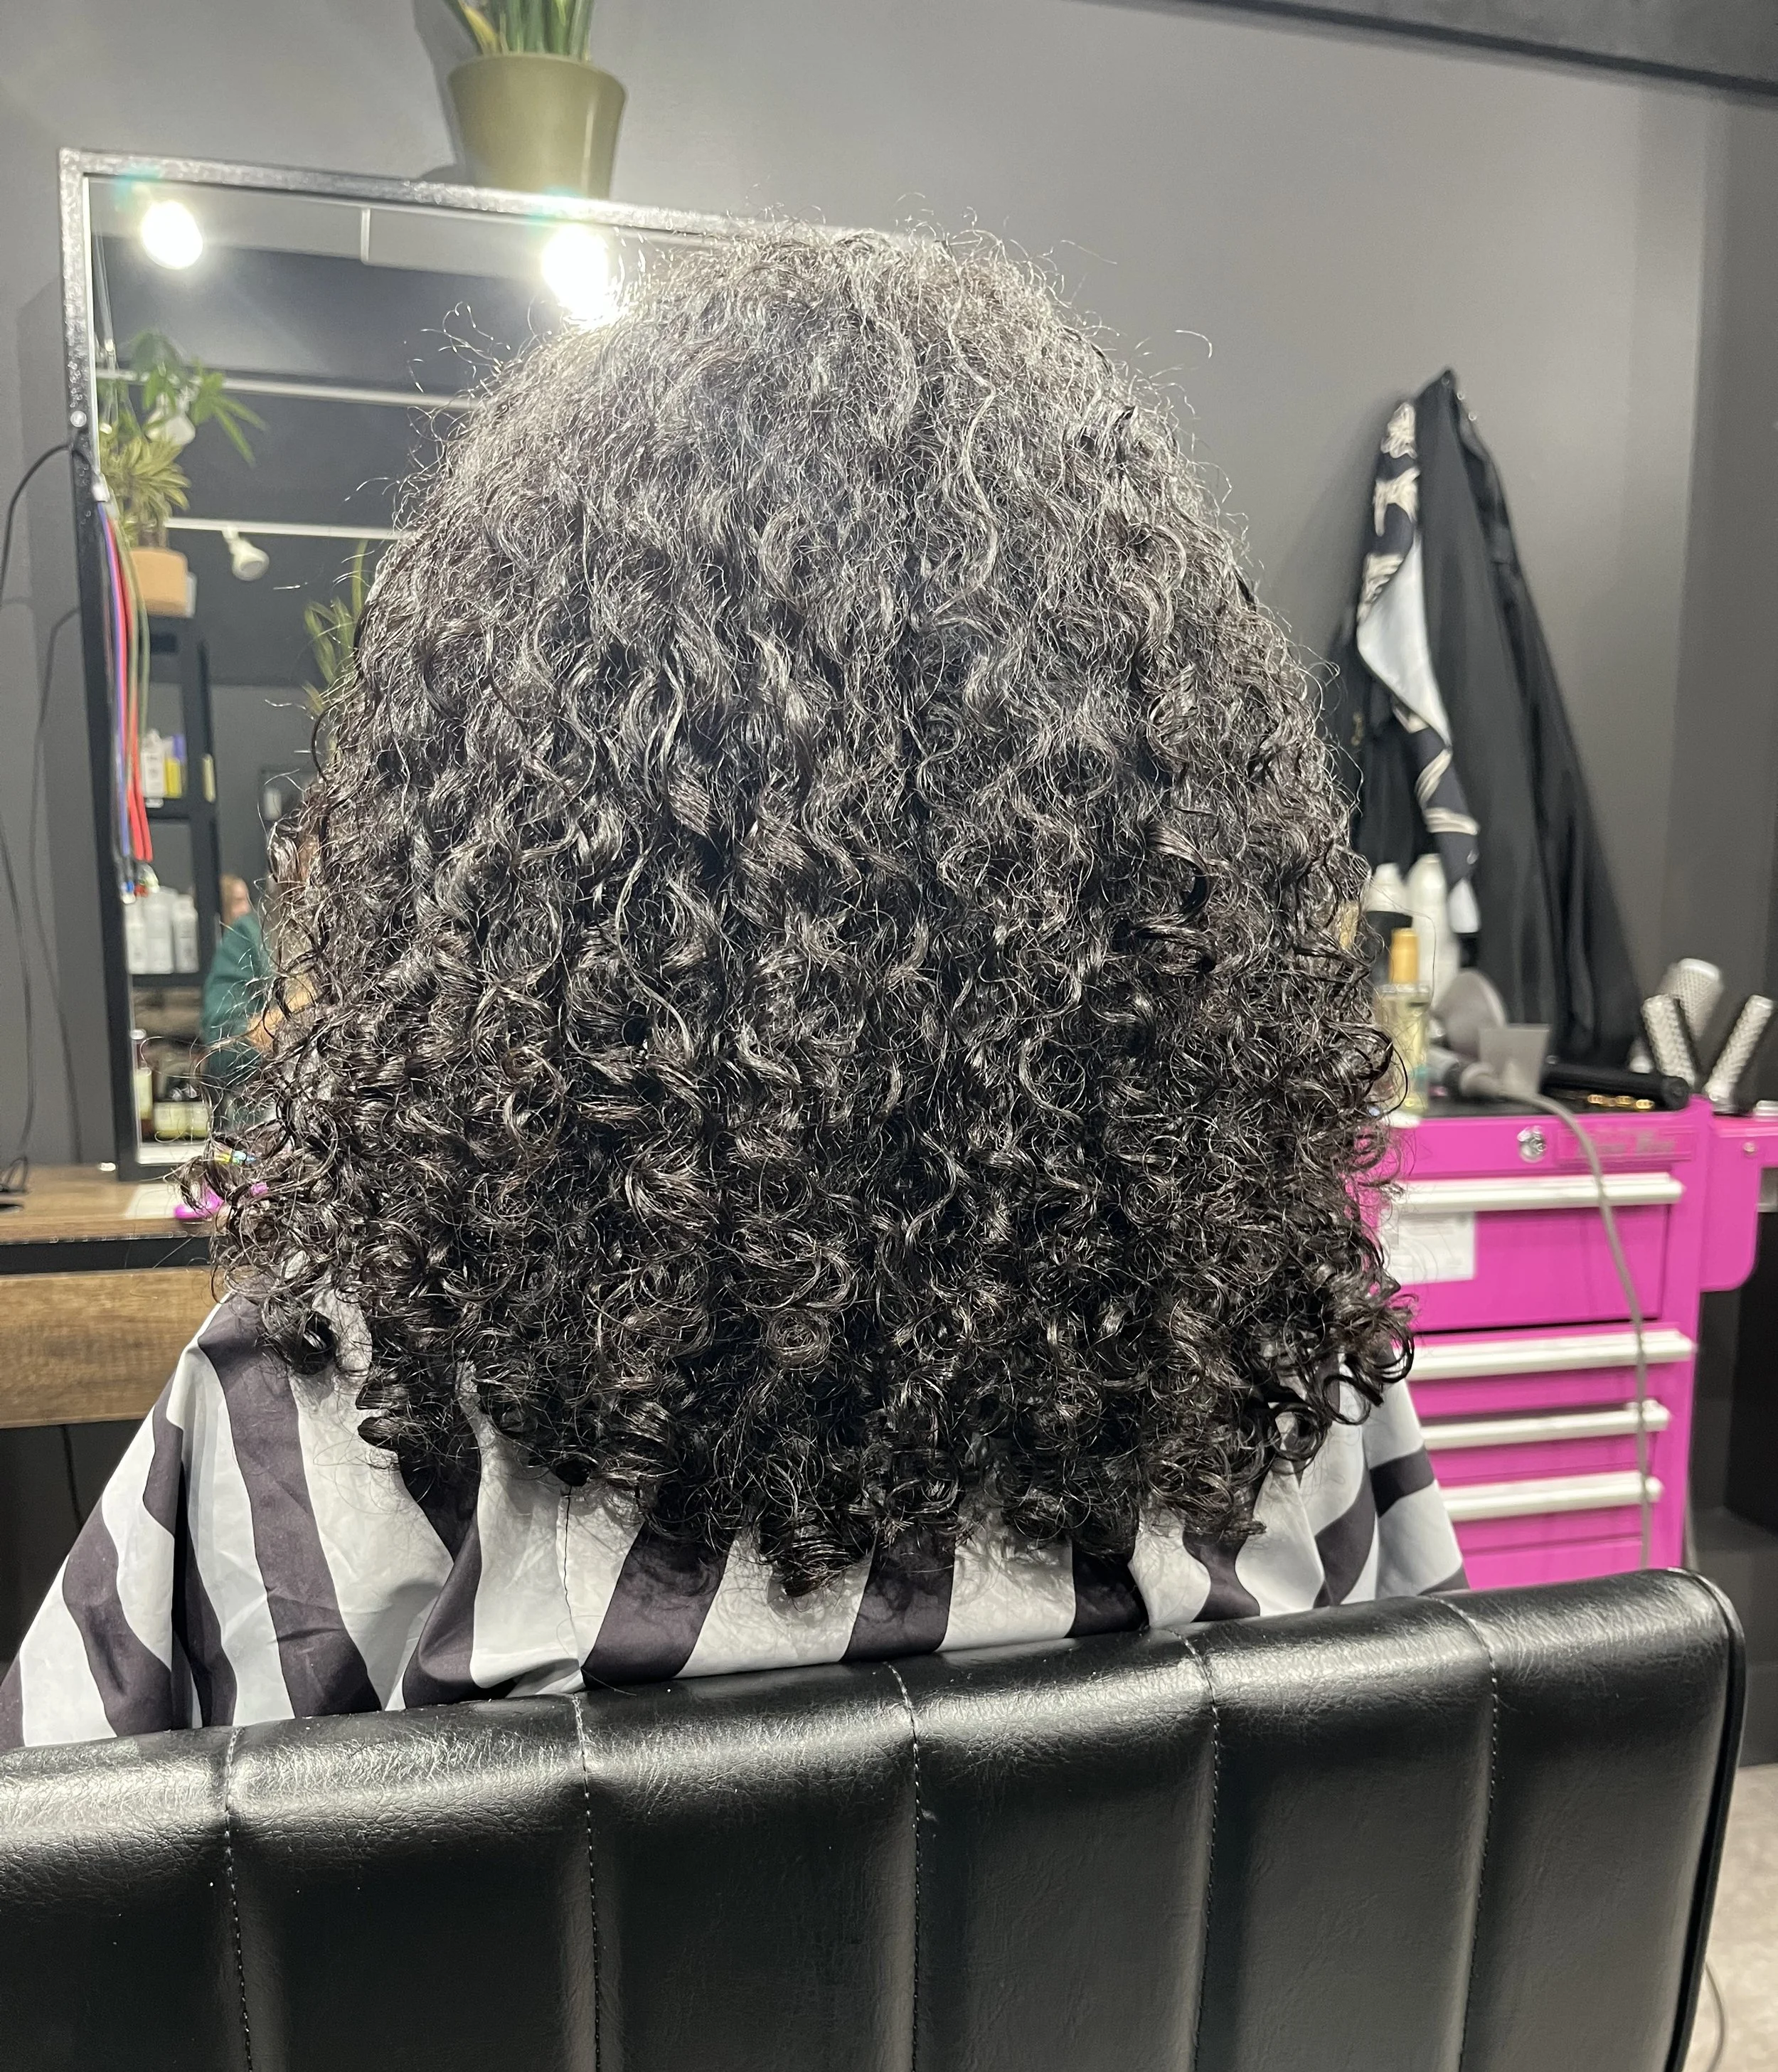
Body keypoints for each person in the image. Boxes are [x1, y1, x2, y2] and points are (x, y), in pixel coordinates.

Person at [1, 229, 1461, 1750]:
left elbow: (82, 1860)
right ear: (1155, 831)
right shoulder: (1274, 1366)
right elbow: (1432, 1806)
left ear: (517, 839)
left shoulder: (332, 1409)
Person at [201, 871, 274, 1099]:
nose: (245, 908)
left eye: (246, 900)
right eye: (238, 901)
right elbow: (222, 1049)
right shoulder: (247, 937)